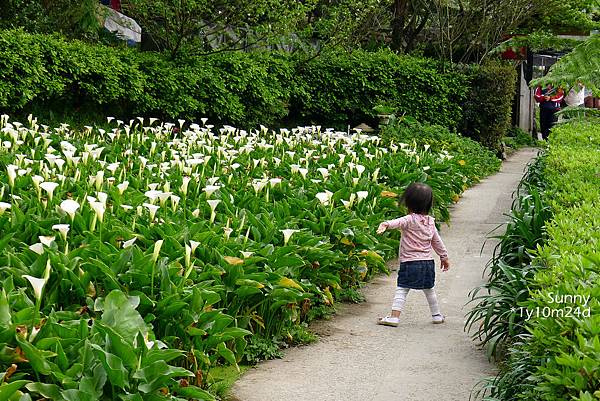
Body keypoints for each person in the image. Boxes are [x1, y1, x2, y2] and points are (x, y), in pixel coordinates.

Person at [376, 182, 450, 327]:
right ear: (429, 204)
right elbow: (437, 241)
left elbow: (397, 222)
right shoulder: (430, 221)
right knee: (429, 290)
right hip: (427, 263)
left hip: (410, 263)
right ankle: (436, 316)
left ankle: (394, 317)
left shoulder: (410, 219)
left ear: (408, 202)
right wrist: (444, 256)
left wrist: (385, 224)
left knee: (402, 289)